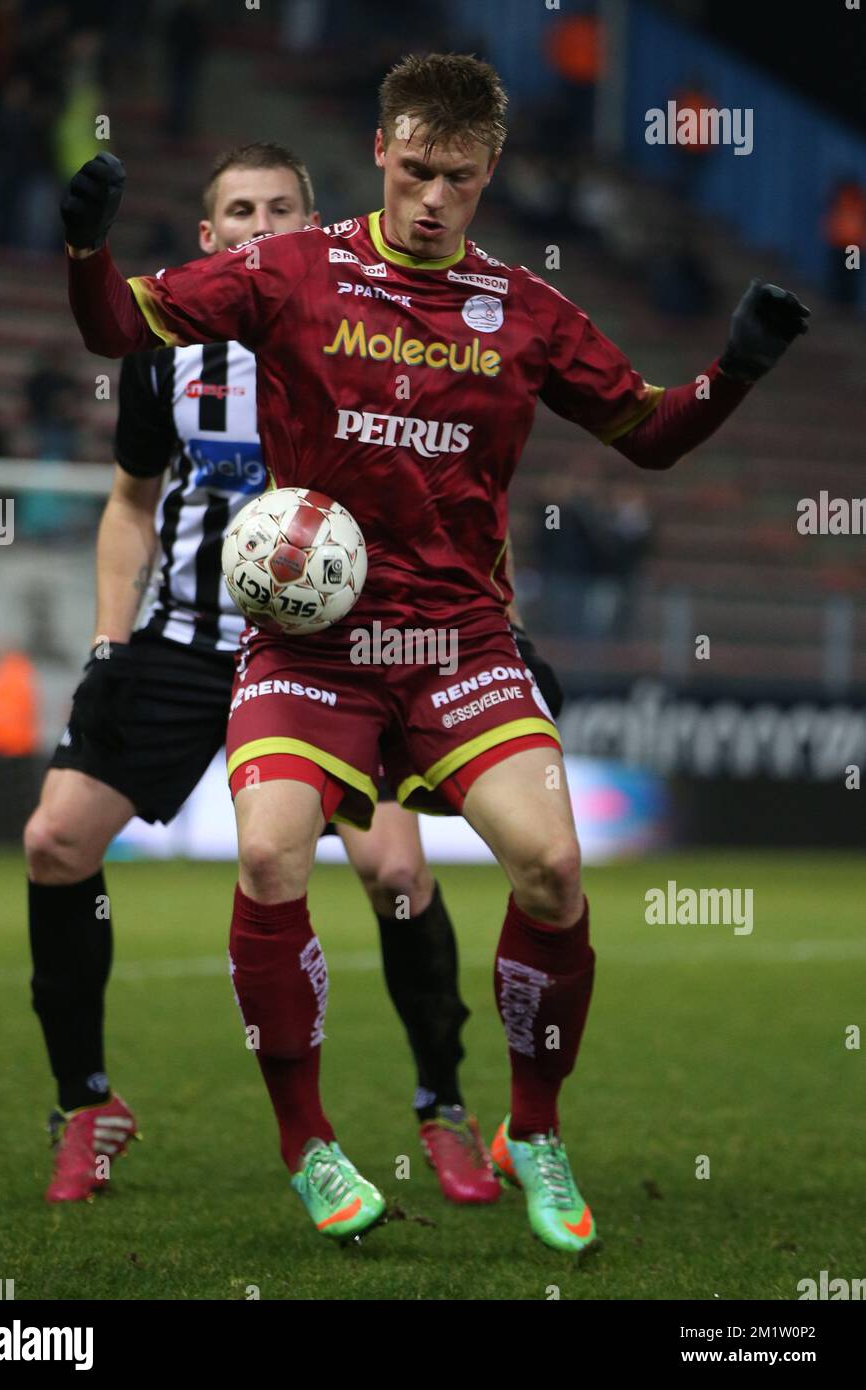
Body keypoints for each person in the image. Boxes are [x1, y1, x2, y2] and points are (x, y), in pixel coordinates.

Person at [60, 52, 809, 1250]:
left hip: (458, 641)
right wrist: (85, 250)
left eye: (455, 178)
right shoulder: (290, 270)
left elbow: (650, 435)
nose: (429, 200)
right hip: (312, 644)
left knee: (554, 869)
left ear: (488, 172)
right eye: (412, 170)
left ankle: (535, 1130)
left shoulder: (527, 311)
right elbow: (119, 328)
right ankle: (309, 1143)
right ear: (380, 152)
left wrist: (739, 371)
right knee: (266, 858)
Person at [31, 141, 564, 1208]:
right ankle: (88, 1103)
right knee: (54, 841)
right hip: (189, 643)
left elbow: (443, 506)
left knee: (400, 878)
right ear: (209, 237)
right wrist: (105, 644)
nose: (261, 226)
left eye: (282, 208)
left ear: (315, 227)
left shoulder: (361, 332)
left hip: (344, 653)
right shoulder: (161, 353)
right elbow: (131, 505)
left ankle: (443, 1104)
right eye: (240, 211)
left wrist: (499, 630)